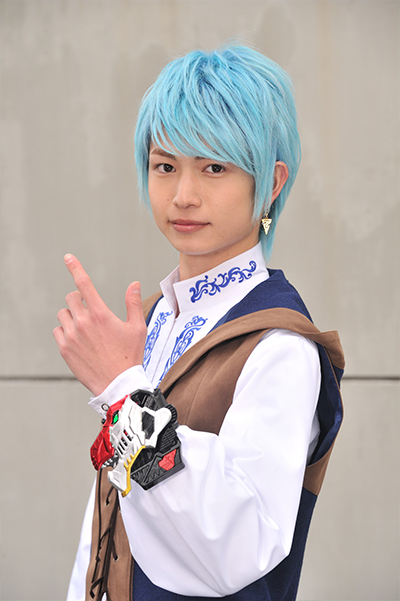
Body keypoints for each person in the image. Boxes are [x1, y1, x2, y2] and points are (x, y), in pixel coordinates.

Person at [54, 45, 344, 601]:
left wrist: (124, 393)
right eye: (165, 166)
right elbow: (107, 523)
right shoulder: (157, 317)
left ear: (271, 182)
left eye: (214, 167)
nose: (183, 196)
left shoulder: (280, 345)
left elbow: (236, 549)